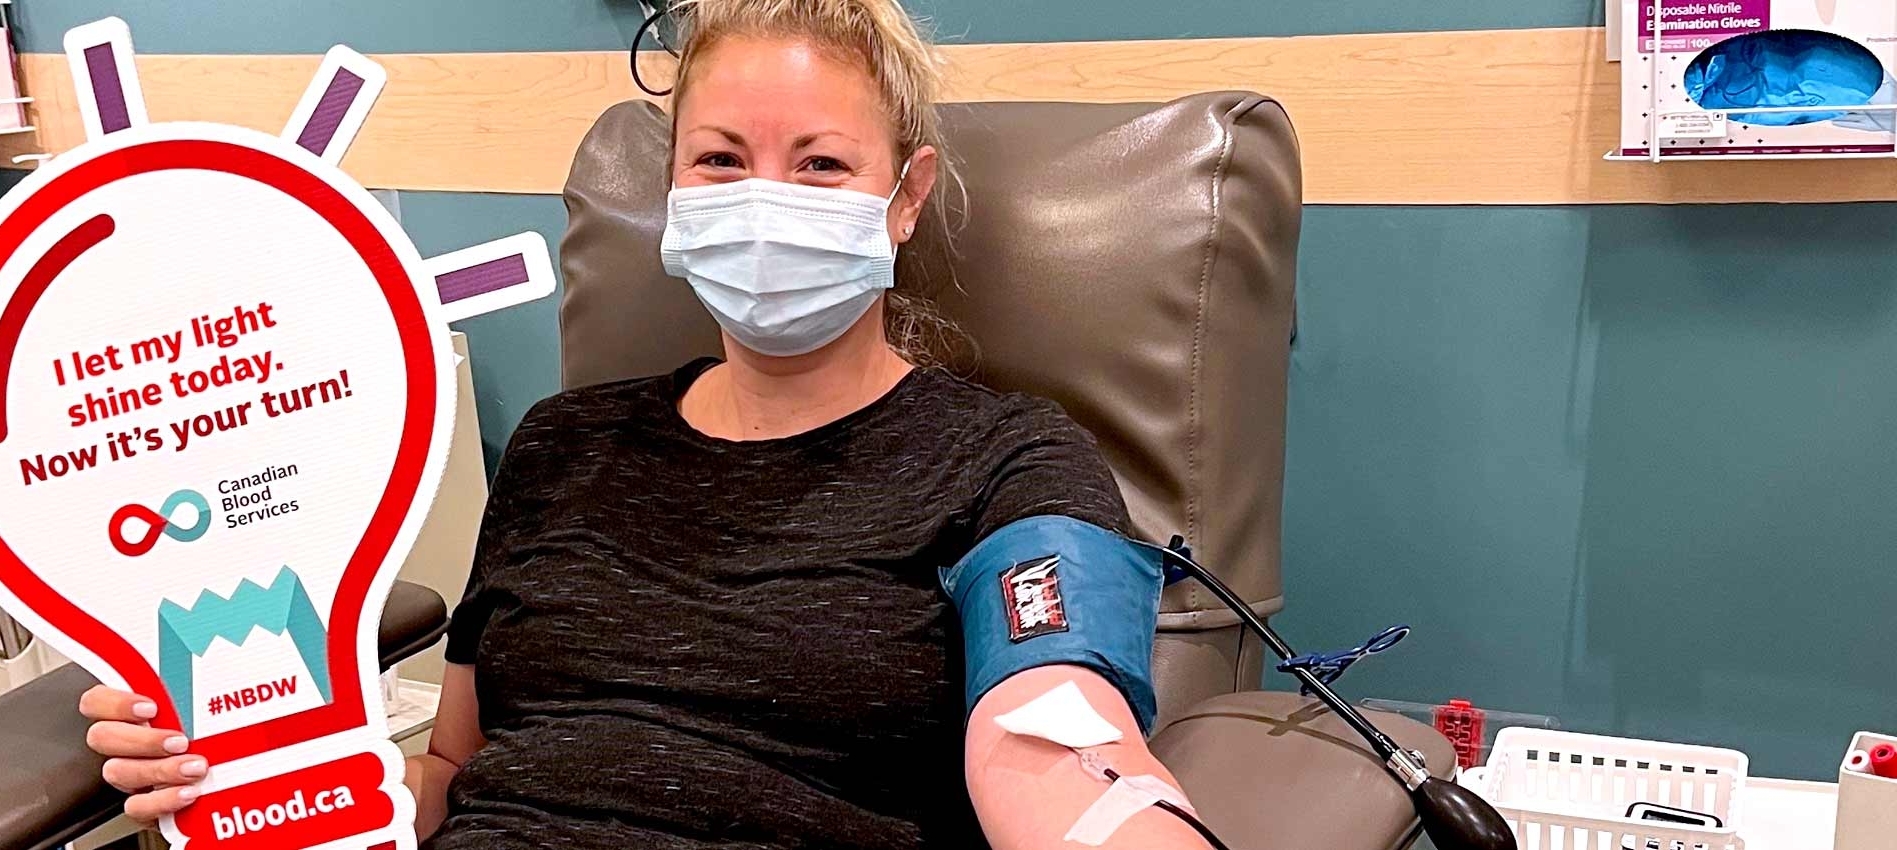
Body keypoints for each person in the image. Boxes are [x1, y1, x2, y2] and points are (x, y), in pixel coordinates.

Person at [77, 0, 1216, 847]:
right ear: (673, 188)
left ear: (904, 195)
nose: (763, 199)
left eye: (820, 165)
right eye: (719, 160)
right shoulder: (562, 444)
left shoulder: (1006, 459)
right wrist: (256, 769)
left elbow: (1056, 753)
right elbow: (455, 765)